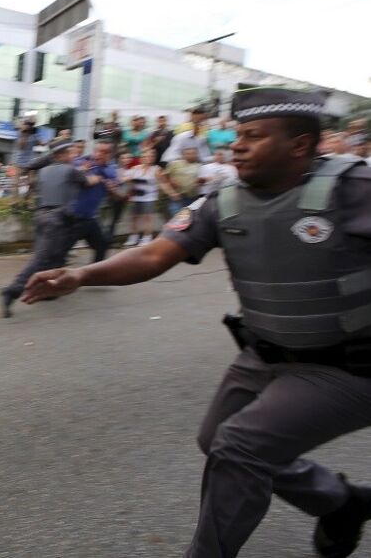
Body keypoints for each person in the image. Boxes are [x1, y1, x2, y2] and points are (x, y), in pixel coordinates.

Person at [21, 87, 371, 558]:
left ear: (300, 145)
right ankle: (339, 501)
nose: (238, 146)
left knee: (241, 445)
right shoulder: (223, 202)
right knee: (217, 440)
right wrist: (81, 274)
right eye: (239, 135)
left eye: (254, 136)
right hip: (265, 354)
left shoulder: (353, 189)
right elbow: (154, 253)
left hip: (347, 366)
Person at [0, 142, 96, 318]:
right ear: (60, 156)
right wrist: (91, 175)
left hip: (41, 216)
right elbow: (88, 182)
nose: (73, 155)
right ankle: (12, 290)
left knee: (57, 255)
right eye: (70, 153)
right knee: (42, 259)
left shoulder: (44, 171)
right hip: (57, 219)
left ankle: (50, 290)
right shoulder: (71, 171)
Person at [56, 141, 117, 266]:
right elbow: (70, 173)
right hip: (74, 216)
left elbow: (116, 189)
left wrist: (112, 189)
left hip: (90, 218)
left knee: (102, 245)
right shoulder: (82, 162)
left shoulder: (111, 170)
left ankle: (93, 275)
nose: (100, 154)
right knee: (60, 251)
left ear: (110, 155)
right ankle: (50, 278)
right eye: (98, 151)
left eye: (105, 152)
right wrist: (84, 172)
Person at [122, 148, 163, 246]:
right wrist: (128, 179)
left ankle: (146, 238)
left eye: (150, 156)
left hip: (150, 197)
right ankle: (133, 237)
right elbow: (124, 178)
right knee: (134, 218)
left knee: (147, 218)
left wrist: (171, 193)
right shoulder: (135, 168)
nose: (147, 158)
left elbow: (163, 183)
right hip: (136, 197)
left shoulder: (156, 169)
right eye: (144, 156)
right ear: (141, 158)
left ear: (153, 158)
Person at [161, 146, 202, 217]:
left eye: (193, 153)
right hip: (177, 197)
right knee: (176, 218)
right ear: (183, 155)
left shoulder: (199, 166)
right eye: (188, 154)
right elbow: (163, 176)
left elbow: (201, 180)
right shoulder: (174, 164)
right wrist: (170, 181)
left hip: (192, 198)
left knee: (189, 219)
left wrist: (199, 182)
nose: (191, 155)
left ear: (196, 154)